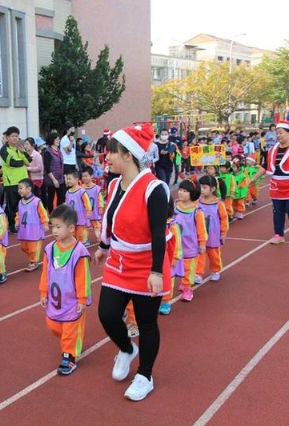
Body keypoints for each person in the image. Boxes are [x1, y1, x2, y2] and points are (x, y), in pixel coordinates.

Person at [93, 124, 171, 401]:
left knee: (147, 323)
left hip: (147, 264)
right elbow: (111, 219)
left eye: (111, 153)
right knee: (107, 314)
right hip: (118, 261)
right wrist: (103, 246)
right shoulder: (114, 185)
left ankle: (145, 375)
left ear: (128, 154)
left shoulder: (154, 189)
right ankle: (127, 349)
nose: (107, 158)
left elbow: (159, 235)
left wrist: (157, 271)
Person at [39, 204, 92, 375]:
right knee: (54, 326)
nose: (54, 230)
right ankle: (70, 344)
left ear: (71, 228)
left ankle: (68, 357)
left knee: (70, 329)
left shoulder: (79, 252)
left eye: (58, 227)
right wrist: (43, 292)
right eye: (52, 226)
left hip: (72, 301)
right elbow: (45, 273)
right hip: (55, 301)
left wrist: (82, 299)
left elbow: (83, 277)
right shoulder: (50, 249)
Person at [249, 122, 289, 244]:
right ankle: (279, 235)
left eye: (281, 132)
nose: (278, 135)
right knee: (278, 211)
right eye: (277, 133)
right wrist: (254, 178)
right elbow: (265, 166)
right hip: (277, 185)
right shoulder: (272, 149)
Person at [173, 180, 207, 302]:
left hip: (190, 246)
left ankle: (188, 288)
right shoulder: (175, 205)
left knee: (189, 269)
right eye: (180, 190)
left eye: (185, 191)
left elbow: (202, 229)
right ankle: (182, 283)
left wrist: (202, 243)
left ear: (192, 193)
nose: (181, 193)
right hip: (176, 246)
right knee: (175, 267)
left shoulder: (197, 211)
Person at [194, 175, 228, 284]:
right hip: (200, 235)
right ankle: (198, 274)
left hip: (213, 235)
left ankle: (215, 270)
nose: (201, 190)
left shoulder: (218, 204)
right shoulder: (197, 202)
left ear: (213, 189)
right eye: (200, 187)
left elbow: (224, 219)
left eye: (204, 187)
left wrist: (223, 233)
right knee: (200, 254)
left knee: (214, 254)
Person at [0, 127, 31, 233]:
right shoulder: (4, 150)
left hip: (23, 181)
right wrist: (21, 160)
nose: (15, 138)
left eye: (17, 136)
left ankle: (24, 222)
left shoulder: (19, 149)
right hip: (11, 183)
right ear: (7, 137)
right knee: (12, 206)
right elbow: (12, 163)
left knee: (25, 203)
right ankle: (12, 226)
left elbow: (29, 161)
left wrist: (24, 152)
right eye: (13, 136)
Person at [16, 178, 49, 272]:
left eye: (21, 188)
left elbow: (43, 213)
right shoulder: (20, 202)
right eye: (18, 188)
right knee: (24, 247)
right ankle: (32, 258)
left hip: (34, 230)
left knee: (33, 248)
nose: (19, 190)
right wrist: (17, 222)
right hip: (24, 230)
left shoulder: (36, 201)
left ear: (29, 189)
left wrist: (45, 223)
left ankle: (34, 261)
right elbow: (18, 214)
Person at [159, 199, 182, 316]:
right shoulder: (154, 222)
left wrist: (175, 258)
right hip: (157, 258)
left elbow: (176, 243)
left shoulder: (172, 225)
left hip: (168, 259)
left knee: (168, 280)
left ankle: (165, 301)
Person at [64, 170, 91, 244]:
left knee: (81, 234)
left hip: (81, 217)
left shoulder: (81, 191)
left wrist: (88, 211)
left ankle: (83, 243)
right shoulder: (68, 192)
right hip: (72, 218)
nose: (68, 181)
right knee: (73, 235)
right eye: (67, 179)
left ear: (76, 180)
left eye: (69, 179)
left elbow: (87, 202)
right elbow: (67, 203)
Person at [42, 131, 65, 212]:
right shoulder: (47, 152)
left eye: (59, 139)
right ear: (52, 140)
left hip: (60, 178)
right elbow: (47, 168)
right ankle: (51, 215)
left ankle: (59, 213)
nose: (59, 141)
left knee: (61, 197)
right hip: (51, 179)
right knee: (51, 198)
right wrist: (54, 180)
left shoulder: (59, 150)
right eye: (57, 139)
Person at [81, 166, 104, 242]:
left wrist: (100, 207)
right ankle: (85, 239)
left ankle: (100, 237)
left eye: (86, 176)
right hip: (85, 212)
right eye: (83, 176)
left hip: (94, 211)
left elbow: (100, 199)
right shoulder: (81, 188)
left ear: (91, 176)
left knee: (97, 226)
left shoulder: (96, 188)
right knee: (84, 226)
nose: (84, 178)